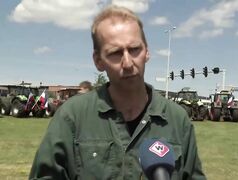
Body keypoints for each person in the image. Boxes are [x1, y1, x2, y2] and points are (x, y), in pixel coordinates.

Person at [29, 5, 206, 180]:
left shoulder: (177, 120)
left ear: (147, 52)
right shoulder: (72, 117)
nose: (128, 63)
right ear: (98, 61)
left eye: (135, 49)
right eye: (115, 53)